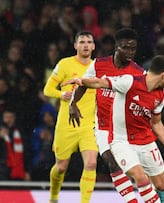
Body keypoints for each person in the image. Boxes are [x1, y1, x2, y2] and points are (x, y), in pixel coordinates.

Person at [64, 55, 164, 203]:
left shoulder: (161, 95)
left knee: (161, 185)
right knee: (140, 176)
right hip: (122, 141)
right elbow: (100, 81)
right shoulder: (129, 82)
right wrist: (82, 81)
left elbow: (156, 123)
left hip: (145, 141)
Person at [69, 28, 145, 203]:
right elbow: (83, 84)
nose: (130, 52)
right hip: (103, 125)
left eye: (133, 48)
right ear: (116, 46)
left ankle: (154, 196)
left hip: (125, 127)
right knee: (111, 161)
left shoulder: (138, 72)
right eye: (126, 47)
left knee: (137, 170)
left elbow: (145, 100)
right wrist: (73, 103)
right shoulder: (98, 65)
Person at [43, 31, 97, 203]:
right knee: (61, 167)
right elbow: (47, 90)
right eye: (82, 42)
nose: (86, 45)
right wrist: (61, 94)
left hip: (89, 125)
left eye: (89, 42)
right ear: (75, 46)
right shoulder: (64, 64)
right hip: (66, 125)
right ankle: (53, 197)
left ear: (94, 46)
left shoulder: (97, 68)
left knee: (91, 163)